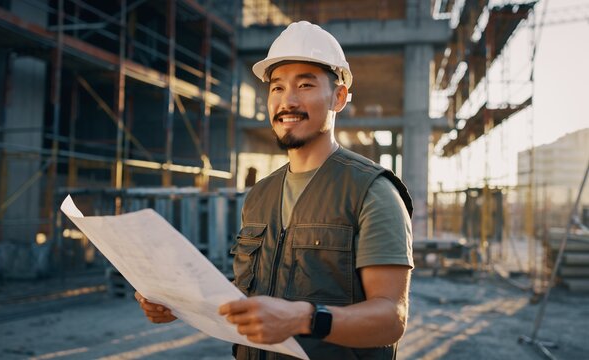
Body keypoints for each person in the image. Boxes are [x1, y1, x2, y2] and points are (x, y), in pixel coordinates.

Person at [135, 21, 414, 360]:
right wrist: (178, 303)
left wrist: (304, 318)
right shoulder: (259, 196)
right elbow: (245, 295)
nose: (288, 101)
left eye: (305, 85)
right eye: (277, 88)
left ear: (339, 97)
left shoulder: (372, 191)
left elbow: (390, 319)